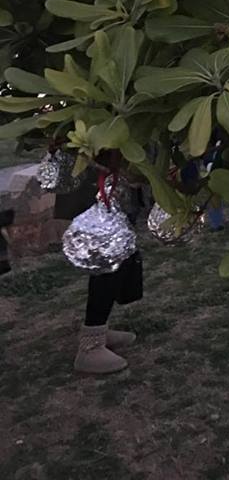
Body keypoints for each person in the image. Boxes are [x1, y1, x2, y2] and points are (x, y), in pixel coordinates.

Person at [56, 152, 144, 376]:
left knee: (117, 260)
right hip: (98, 183)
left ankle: (98, 330)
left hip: (113, 181)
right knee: (107, 259)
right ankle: (90, 346)